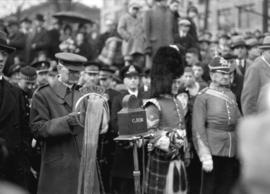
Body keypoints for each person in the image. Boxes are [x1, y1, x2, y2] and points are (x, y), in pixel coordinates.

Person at [30, 52, 87, 194]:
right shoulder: (43, 94)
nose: (76, 76)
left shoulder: (83, 94)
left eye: (79, 72)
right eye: (72, 72)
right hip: (58, 170)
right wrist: (67, 121)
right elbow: (37, 129)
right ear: (60, 69)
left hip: (83, 166)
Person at [192, 56, 241, 194]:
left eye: (228, 73)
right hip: (213, 149)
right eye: (223, 73)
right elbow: (197, 128)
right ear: (213, 75)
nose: (227, 76)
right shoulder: (203, 96)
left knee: (227, 188)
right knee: (210, 188)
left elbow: (239, 121)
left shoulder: (231, 95)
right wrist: (204, 155)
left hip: (231, 148)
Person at [143, 46, 187, 194]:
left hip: (178, 160)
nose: (176, 85)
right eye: (173, 82)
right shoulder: (154, 104)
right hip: (161, 158)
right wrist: (169, 140)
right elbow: (149, 133)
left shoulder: (178, 102)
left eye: (177, 81)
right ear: (164, 80)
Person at [0, 31, 30, 190]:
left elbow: (24, 133)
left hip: (11, 173)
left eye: (4, 53)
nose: (0, 58)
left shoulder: (16, 93)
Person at [241, 36, 270, 116]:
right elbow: (248, 100)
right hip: (262, 120)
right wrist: (254, 123)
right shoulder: (255, 69)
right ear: (263, 52)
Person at [118, 1, 145, 66]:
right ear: (129, 8)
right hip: (129, 45)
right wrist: (128, 37)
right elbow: (120, 29)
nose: (135, 11)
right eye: (134, 8)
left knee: (138, 63)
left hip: (139, 45)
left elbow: (143, 29)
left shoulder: (140, 19)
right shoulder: (124, 18)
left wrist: (143, 38)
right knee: (128, 62)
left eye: (137, 9)